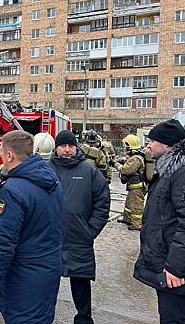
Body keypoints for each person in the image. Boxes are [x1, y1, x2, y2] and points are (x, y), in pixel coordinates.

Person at [0, 130, 63, 324]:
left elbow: (1, 243)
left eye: (1, 152)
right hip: (48, 270)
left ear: (9, 155)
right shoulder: (51, 180)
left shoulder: (12, 192)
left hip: (24, 278)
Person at [133, 119, 185, 324]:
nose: (148, 144)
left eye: (152, 140)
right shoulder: (172, 170)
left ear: (169, 145)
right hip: (169, 262)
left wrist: (174, 267)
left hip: (175, 269)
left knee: (173, 319)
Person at [49, 130, 110, 324]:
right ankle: (44, 316)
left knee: (81, 282)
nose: (67, 150)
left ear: (76, 147)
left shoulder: (88, 170)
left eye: (70, 146)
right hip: (50, 239)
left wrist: (90, 230)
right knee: (47, 283)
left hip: (79, 239)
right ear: (56, 147)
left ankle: (83, 319)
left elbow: (103, 201)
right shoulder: (46, 169)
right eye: (63, 146)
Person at [114, 135, 147, 230]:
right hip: (133, 186)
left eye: (126, 146)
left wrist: (115, 164)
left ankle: (137, 224)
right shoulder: (134, 157)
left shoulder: (136, 158)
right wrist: (121, 160)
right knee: (129, 204)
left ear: (130, 146)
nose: (125, 148)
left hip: (137, 187)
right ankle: (127, 219)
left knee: (136, 205)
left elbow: (126, 170)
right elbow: (128, 161)